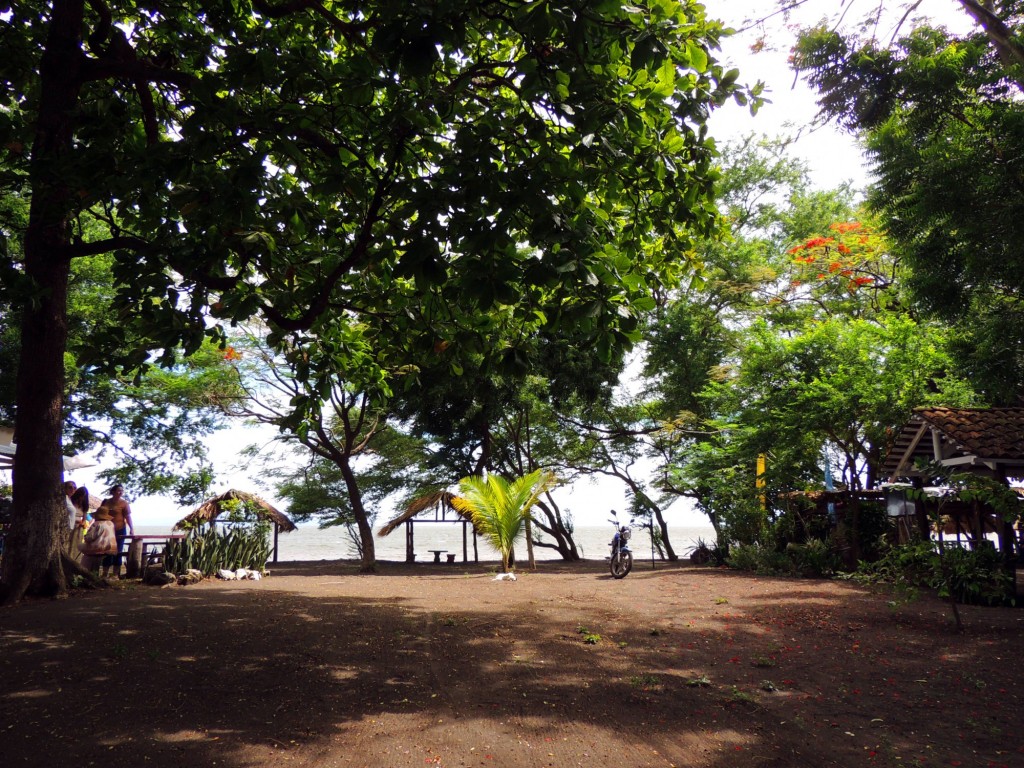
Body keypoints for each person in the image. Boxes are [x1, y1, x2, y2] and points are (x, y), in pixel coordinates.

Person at [100, 485, 134, 579]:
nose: (121, 492)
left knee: (118, 551)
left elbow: (128, 516)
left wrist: (131, 528)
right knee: (107, 551)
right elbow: (100, 514)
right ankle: (105, 573)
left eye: (122, 491)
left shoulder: (124, 503)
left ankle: (115, 574)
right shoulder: (106, 502)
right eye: (119, 490)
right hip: (107, 530)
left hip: (120, 529)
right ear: (113, 491)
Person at [79, 505, 117, 575]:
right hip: (111, 547)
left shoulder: (96, 524)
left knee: (80, 546)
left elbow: (89, 538)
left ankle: (85, 572)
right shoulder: (111, 524)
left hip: (99, 548)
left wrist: (85, 536)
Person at [69, 486, 90, 558]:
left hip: (78, 528)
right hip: (69, 525)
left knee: (75, 546)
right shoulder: (70, 501)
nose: (81, 498)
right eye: (81, 496)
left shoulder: (84, 506)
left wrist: (82, 523)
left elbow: (84, 519)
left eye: (84, 497)